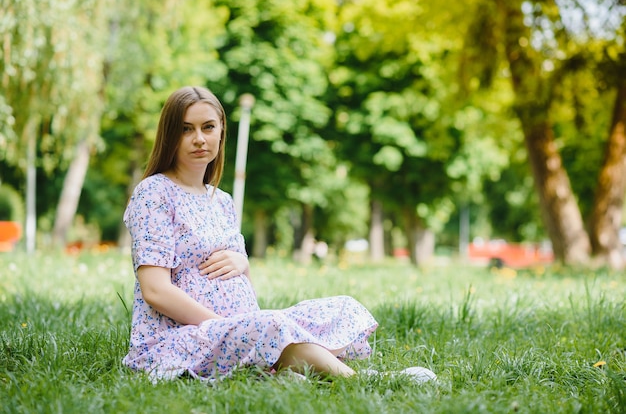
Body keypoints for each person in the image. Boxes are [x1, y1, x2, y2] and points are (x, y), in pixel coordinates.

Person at [122, 86, 436, 384]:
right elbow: (155, 290)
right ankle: (366, 381)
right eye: (186, 129)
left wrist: (242, 265)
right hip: (180, 339)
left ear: (221, 132)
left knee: (341, 308)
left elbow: (246, 290)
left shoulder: (222, 201)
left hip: (243, 328)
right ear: (169, 135)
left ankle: (277, 367)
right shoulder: (154, 193)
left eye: (208, 127)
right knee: (270, 326)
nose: (199, 139)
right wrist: (226, 325)